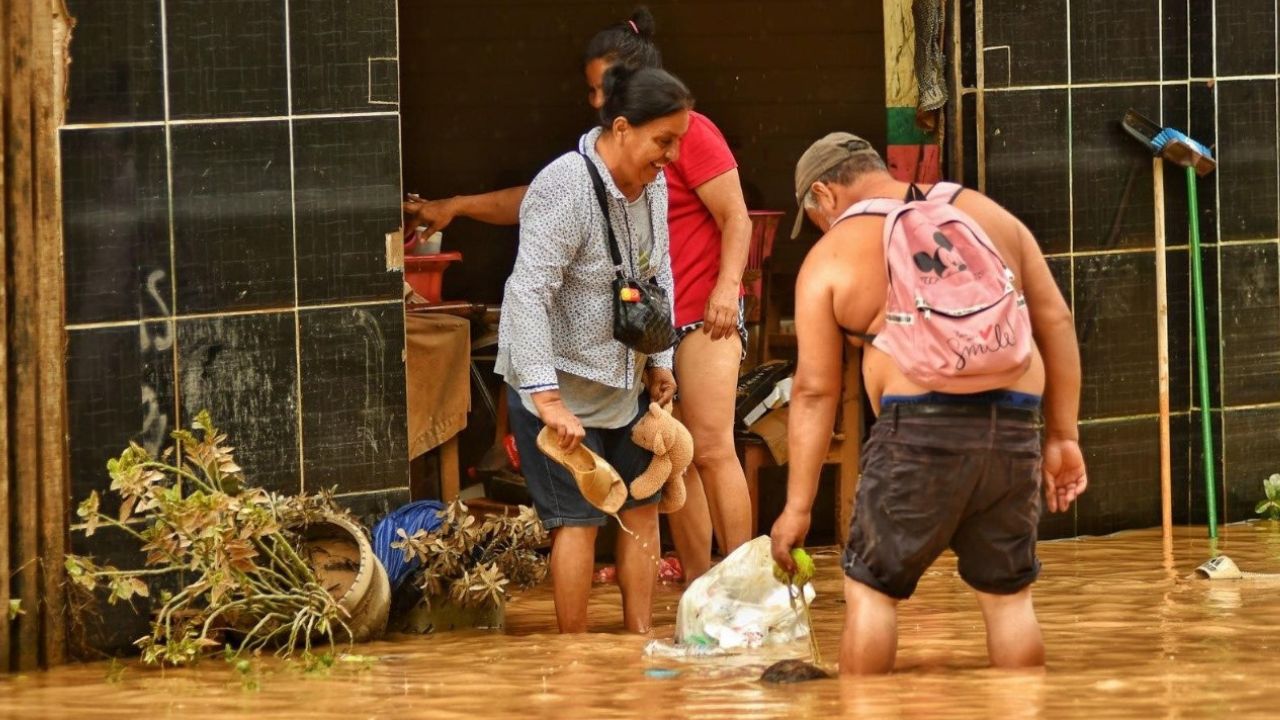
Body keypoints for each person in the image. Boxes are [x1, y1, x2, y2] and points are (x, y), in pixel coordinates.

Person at [405, 7, 752, 582]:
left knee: (711, 449)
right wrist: (459, 206)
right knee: (675, 464)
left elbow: (735, 216)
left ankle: (744, 582)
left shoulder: (685, 132)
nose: (598, 101)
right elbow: (543, 201)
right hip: (645, 331)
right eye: (593, 91)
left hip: (699, 317)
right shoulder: (597, 159)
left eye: (608, 86)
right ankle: (700, 587)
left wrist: (725, 290)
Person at [769, 133, 1088, 674]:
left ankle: (863, 711)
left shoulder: (831, 254)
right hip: (1013, 422)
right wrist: (1063, 436)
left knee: (870, 594)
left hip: (917, 431)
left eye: (815, 215)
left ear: (823, 195)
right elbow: (1055, 320)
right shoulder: (980, 211)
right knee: (1008, 601)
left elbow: (816, 391)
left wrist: (797, 508)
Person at [497, 65, 693, 633]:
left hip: (623, 382)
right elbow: (528, 291)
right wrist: (549, 401)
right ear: (623, 128)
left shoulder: (653, 185)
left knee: (641, 509)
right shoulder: (564, 184)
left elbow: (662, 274)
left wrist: (661, 362)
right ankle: (574, 655)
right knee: (578, 522)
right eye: (664, 141)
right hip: (556, 387)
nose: (672, 157)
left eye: (677, 142)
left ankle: (640, 639)